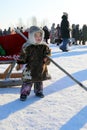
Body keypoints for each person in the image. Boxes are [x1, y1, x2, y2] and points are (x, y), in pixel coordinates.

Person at [16, 26, 51, 101]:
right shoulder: (27, 46)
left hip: (40, 67)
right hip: (29, 67)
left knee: (39, 80)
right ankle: (24, 93)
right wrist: (21, 63)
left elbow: (48, 53)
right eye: (36, 36)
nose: (39, 37)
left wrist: (47, 58)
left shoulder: (44, 46)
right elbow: (22, 56)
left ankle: (39, 91)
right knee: (27, 82)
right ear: (31, 36)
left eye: (40, 35)